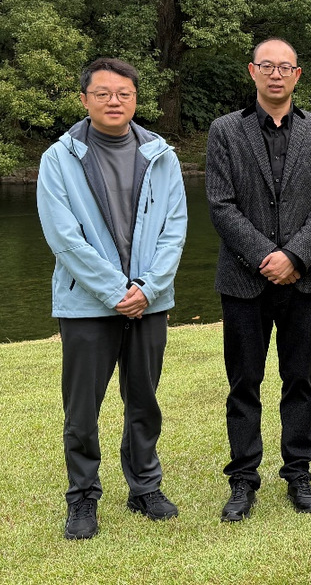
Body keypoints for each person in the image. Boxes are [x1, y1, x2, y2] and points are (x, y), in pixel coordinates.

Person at [37, 57, 188, 540]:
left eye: (123, 93)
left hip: (149, 302)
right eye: (102, 94)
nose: (113, 101)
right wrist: (115, 290)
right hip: (86, 305)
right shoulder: (59, 158)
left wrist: (148, 288)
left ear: (136, 99)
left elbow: (174, 230)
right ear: (84, 99)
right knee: (82, 410)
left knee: (144, 401)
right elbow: (63, 237)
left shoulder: (161, 155)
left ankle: (144, 487)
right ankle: (82, 497)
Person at [206, 38, 311, 519]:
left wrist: (295, 256)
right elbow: (220, 203)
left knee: (299, 379)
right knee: (244, 382)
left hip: (305, 278)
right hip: (244, 280)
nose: (276, 74)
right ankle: (243, 480)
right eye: (268, 66)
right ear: (253, 71)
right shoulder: (226, 130)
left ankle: (299, 473)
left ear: (297, 74)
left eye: (285, 67)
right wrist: (267, 255)